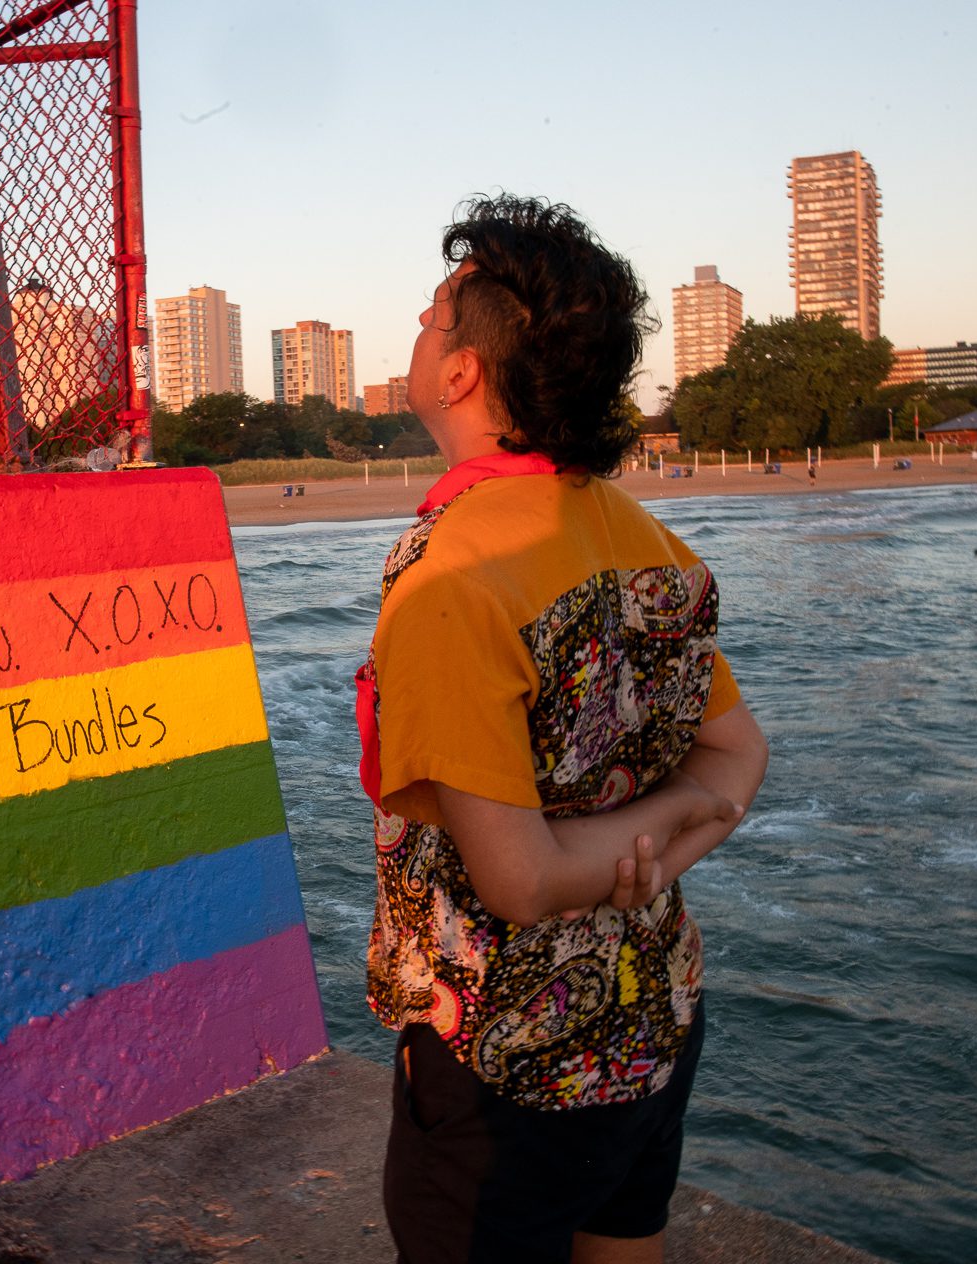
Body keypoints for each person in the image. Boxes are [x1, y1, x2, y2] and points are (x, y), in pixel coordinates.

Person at [355, 196, 768, 1264]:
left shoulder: (452, 574)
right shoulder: (646, 537)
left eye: (434, 310)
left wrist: (596, 856)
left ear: (460, 372)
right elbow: (737, 757)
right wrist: (654, 838)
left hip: (509, 1061)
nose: (418, 316)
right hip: (656, 1014)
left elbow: (521, 881)